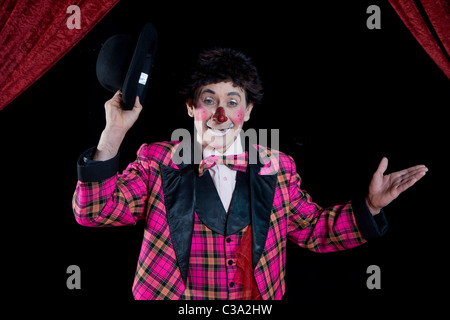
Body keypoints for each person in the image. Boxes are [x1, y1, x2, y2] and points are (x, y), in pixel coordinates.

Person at [72, 47, 428, 300]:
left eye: (232, 102)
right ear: (190, 107)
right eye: (209, 100)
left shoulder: (279, 167)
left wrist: (370, 206)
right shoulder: (157, 161)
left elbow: (314, 230)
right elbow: (93, 212)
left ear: (249, 110)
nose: (220, 114)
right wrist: (113, 133)